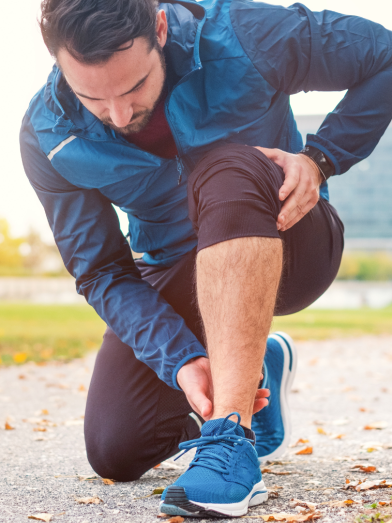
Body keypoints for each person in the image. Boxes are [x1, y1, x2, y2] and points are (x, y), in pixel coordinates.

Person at [20, 0, 392, 518]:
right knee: (116, 449)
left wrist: (322, 157)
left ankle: (230, 439)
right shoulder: (48, 135)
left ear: (160, 26)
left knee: (226, 167)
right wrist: (182, 360)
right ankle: (255, 364)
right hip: (178, 266)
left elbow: (385, 56)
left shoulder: (244, 34)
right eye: (93, 98)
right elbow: (102, 270)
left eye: (133, 88)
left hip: (289, 241)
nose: (120, 115)